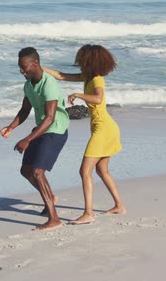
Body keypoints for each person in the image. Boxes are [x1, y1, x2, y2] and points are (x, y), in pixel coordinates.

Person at [43, 44, 126, 225]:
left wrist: (78, 95)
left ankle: (88, 213)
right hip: (105, 127)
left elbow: (98, 99)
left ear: (89, 61)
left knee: (84, 171)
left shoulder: (97, 80)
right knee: (102, 170)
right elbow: (61, 76)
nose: (78, 62)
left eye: (81, 59)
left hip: (103, 129)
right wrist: (39, 66)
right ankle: (119, 205)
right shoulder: (88, 77)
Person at [1, 47, 70, 231]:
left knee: (38, 172)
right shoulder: (29, 84)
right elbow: (25, 110)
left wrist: (27, 139)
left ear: (36, 64)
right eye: (20, 67)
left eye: (24, 67)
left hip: (55, 130)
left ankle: (54, 218)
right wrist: (11, 127)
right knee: (26, 170)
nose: (21, 71)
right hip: (41, 129)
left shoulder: (50, 84)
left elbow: (50, 118)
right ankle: (51, 197)